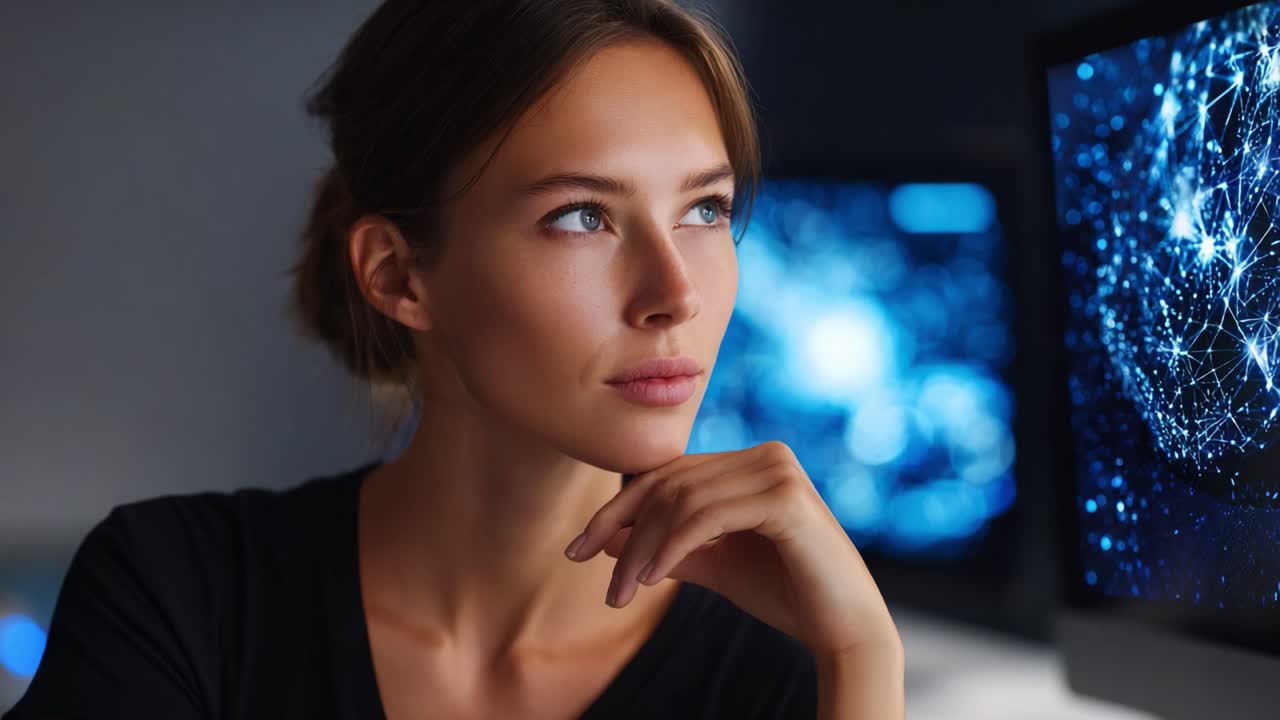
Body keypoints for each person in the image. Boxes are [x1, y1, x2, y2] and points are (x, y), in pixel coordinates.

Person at [4, 1, 904, 718]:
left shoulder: (791, 669)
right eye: (583, 216)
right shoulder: (178, 598)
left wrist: (864, 657)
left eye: (704, 209)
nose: (678, 293)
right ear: (399, 276)